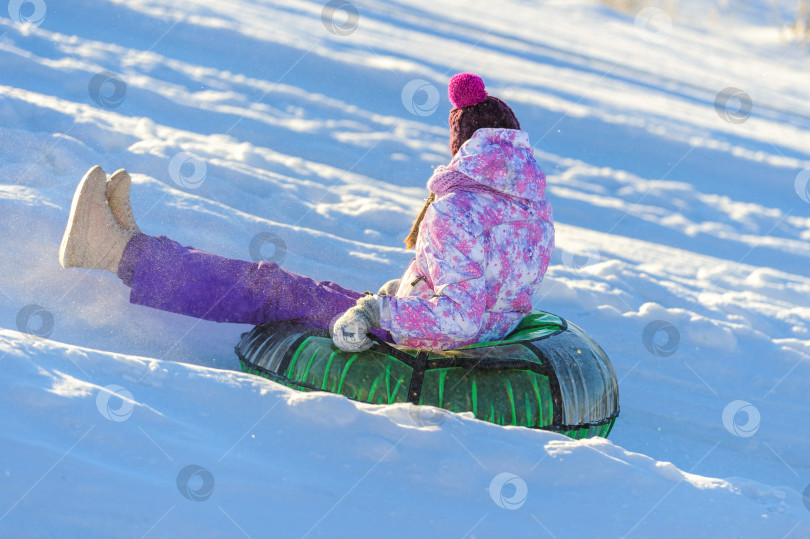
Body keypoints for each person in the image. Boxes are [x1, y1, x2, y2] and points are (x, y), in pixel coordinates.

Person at [58, 73, 554, 352]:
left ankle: (114, 251)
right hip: (434, 326)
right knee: (282, 286)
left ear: (463, 141)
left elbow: (460, 317)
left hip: (417, 338)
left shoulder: (459, 208)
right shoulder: (529, 211)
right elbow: (482, 290)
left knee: (268, 288)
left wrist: (380, 311)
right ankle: (138, 248)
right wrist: (402, 289)